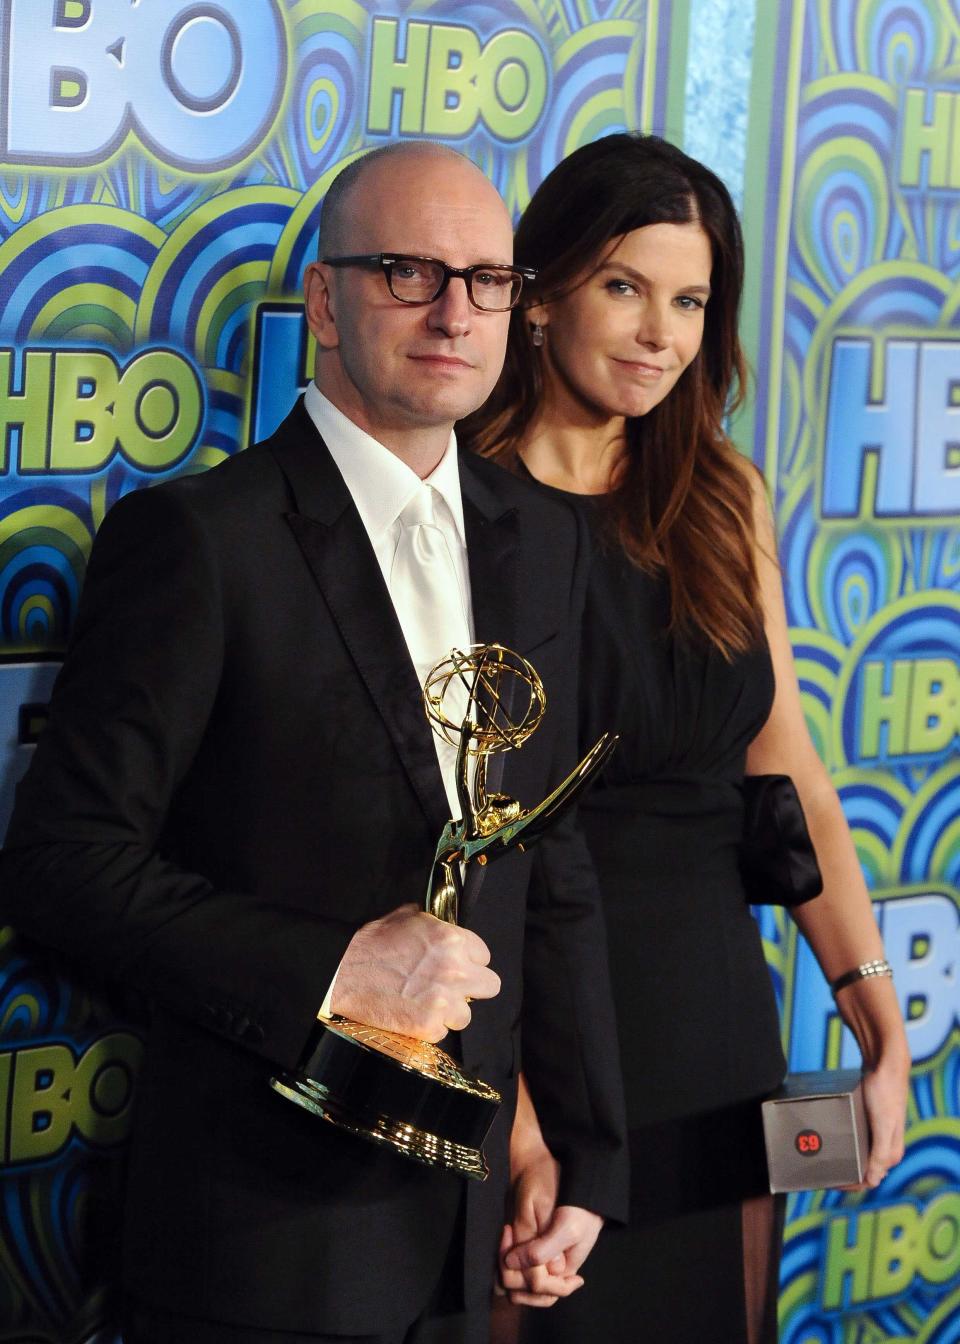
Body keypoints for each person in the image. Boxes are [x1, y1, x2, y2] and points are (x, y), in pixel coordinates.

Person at [0, 142, 628, 1344]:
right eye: (409, 271)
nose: (455, 311)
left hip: (472, 1225)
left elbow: (555, 864)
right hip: (262, 1243)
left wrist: (585, 1155)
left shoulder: (547, 539)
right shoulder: (199, 541)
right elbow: (63, 865)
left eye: (488, 280)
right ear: (324, 304)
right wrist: (333, 969)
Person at [461, 133, 910, 1343]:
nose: (662, 332)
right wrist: (513, 1105)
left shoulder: (724, 496)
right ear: (540, 291)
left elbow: (790, 772)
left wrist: (877, 1019)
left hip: (712, 1008)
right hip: (527, 1010)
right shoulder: (450, 502)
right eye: (625, 286)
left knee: (718, 1315)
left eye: (692, 300)